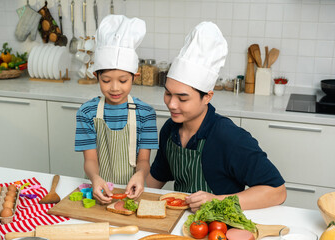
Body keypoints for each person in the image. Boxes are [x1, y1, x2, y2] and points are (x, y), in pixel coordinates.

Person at [146, 22, 286, 212]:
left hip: (217, 226)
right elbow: (157, 177)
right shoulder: (170, 129)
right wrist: (135, 197)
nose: (171, 104)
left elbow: (277, 191)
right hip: (179, 222)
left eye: (182, 98)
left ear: (207, 97)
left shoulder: (229, 137)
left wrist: (217, 201)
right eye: (168, 93)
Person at [75, 15, 158, 204]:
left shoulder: (145, 113)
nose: (114, 88)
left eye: (122, 80)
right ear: (96, 76)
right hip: (99, 190)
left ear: (134, 77)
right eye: (106, 80)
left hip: (132, 192)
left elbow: (144, 160)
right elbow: (90, 160)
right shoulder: (86, 112)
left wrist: (140, 175)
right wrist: (95, 179)